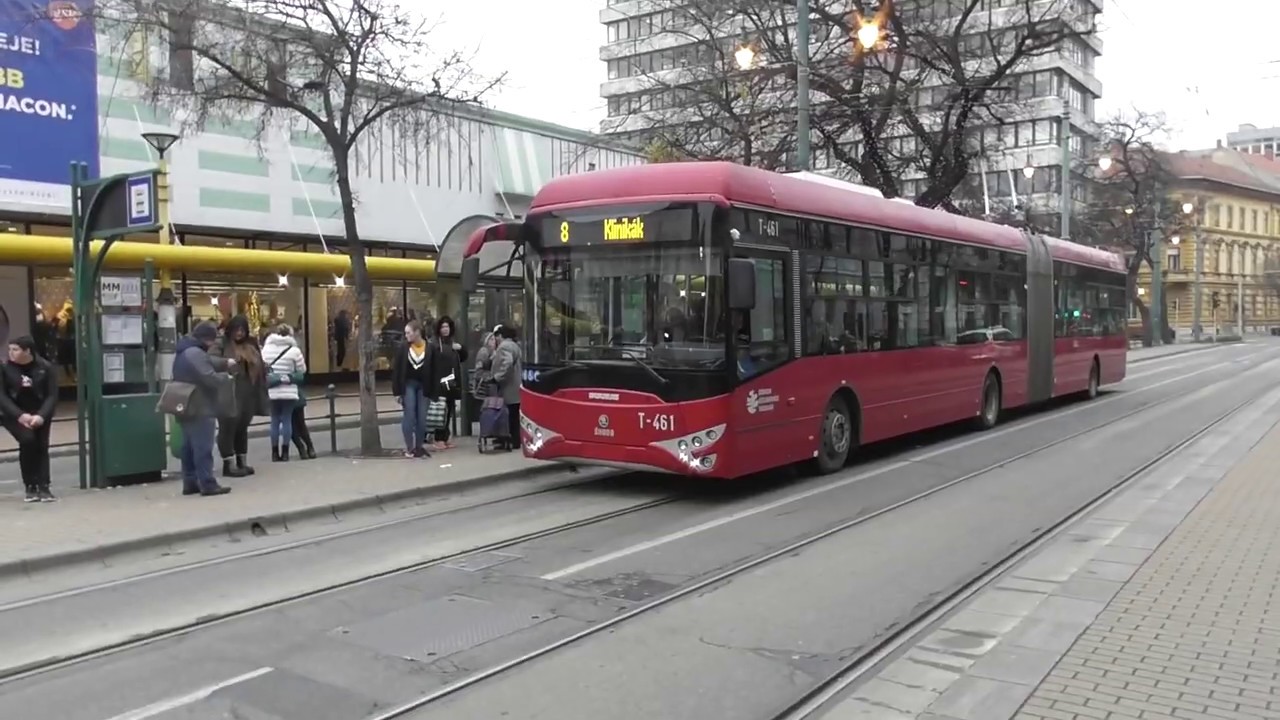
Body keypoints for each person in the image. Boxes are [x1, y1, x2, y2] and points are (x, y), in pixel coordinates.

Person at [172, 322, 233, 496]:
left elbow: (208, 361)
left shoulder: (185, 350)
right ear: (208, 339)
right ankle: (208, 483)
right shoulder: (195, 353)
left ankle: (190, 482)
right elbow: (208, 377)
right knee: (202, 447)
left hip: (184, 404)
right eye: (213, 340)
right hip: (200, 406)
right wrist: (226, 377)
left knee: (188, 448)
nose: (213, 344)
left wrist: (225, 362)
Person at [0, 336, 59, 502]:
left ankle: (44, 486)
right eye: (10, 349)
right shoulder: (5, 368)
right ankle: (30, 485)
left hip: (39, 412)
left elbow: (52, 395)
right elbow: (2, 396)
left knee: (41, 445)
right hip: (14, 414)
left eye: (15, 349)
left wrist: (41, 415)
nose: (11, 353)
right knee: (27, 440)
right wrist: (20, 415)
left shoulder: (45, 368)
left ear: (28, 351)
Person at [210, 315, 269, 477]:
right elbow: (210, 360)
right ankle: (228, 464)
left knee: (242, 427)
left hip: (248, 391)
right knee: (228, 427)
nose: (239, 333)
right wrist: (226, 362)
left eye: (242, 330)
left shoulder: (251, 343)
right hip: (228, 391)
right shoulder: (222, 342)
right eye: (237, 330)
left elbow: (260, 364)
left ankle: (242, 461)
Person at [262, 324, 307, 462]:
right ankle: (285, 452)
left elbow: (262, 367)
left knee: (274, 420)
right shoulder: (294, 350)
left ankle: (275, 453)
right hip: (289, 389)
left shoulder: (266, 349)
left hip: (272, 389)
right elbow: (302, 370)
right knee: (287, 420)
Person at [391, 320, 433, 458]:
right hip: (408, 384)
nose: (406, 335)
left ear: (417, 332)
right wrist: (397, 392)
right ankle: (409, 447)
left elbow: (436, 370)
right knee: (410, 414)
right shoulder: (404, 348)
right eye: (406, 333)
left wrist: (435, 391)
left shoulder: (430, 348)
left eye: (409, 332)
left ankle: (419, 447)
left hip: (424, 385)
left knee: (422, 417)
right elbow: (397, 370)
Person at [429, 316, 468, 450]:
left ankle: (445, 437)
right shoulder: (434, 344)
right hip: (440, 381)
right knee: (441, 410)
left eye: (447, 327)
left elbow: (463, 357)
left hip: (452, 381)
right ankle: (438, 437)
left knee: (449, 409)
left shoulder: (452, 342)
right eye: (443, 327)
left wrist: (460, 348)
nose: (445, 330)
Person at [489, 324, 523, 451]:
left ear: (500, 336)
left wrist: (497, 377)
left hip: (508, 386)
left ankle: (510, 440)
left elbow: (507, 363)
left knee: (508, 414)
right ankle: (516, 439)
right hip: (516, 384)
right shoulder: (515, 346)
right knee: (515, 415)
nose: (496, 339)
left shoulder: (504, 347)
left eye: (496, 336)